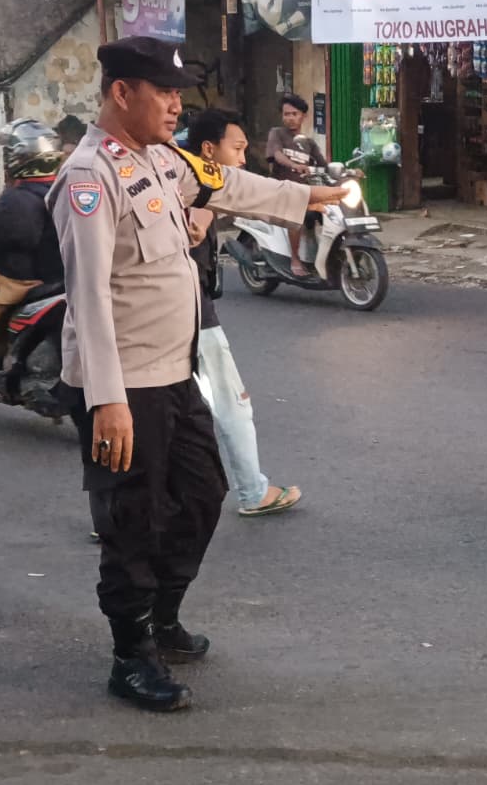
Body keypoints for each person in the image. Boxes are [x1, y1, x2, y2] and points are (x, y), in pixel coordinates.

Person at [49, 36, 345, 713]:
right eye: (164, 91)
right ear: (122, 93)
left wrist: (310, 198)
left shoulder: (159, 159)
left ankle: (162, 616)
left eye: (180, 91)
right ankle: (131, 656)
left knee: (205, 492)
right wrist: (108, 402)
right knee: (134, 519)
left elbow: (229, 183)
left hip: (173, 373)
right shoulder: (91, 177)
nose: (177, 104)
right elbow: (89, 296)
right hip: (123, 385)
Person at [179, 109, 302, 518]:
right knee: (232, 404)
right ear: (209, 150)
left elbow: (252, 197)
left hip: (167, 316)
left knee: (158, 414)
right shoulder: (192, 183)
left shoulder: (178, 177)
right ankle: (252, 491)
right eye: (237, 149)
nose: (243, 159)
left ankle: (118, 515)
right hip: (191, 315)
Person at [0, 119, 66, 380]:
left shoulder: (17, 198)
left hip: (27, 279)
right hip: (63, 274)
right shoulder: (64, 187)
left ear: (19, 158)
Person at [266, 92, 327, 277]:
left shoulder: (309, 143)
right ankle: (295, 259)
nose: (290, 118)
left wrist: (347, 172)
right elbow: (276, 155)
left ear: (304, 116)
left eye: (294, 114)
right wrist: (294, 165)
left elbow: (323, 164)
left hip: (304, 190)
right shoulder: (277, 134)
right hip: (282, 189)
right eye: (286, 114)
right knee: (297, 215)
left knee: (329, 211)